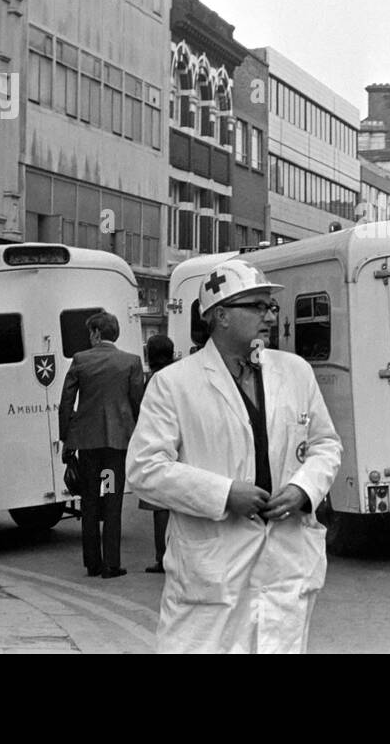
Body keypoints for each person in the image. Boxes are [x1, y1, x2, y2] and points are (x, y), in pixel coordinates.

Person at [126, 259, 342, 653]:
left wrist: (303, 489)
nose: (269, 315)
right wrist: (225, 494)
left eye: (270, 306)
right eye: (257, 306)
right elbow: (145, 470)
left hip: (286, 567)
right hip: (213, 574)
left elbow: (326, 444)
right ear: (220, 315)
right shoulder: (174, 385)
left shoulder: (294, 372)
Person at [59, 312, 144, 579]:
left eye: (90, 333)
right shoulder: (130, 362)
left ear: (96, 333)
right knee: (111, 501)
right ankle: (112, 564)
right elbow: (137, 403)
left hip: (87, 445)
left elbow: (66, 404)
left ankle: (92, 562)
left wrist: (66, 439)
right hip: (115, 447)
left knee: (90, 502)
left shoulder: (81, 361)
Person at [140, 333, 178, 574]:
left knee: (160, 506)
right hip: (182, 445)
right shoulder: (181, 376)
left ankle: (162, 556)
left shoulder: (153, 381)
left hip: (159, 447)